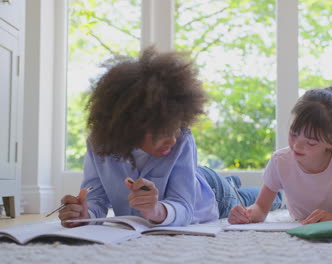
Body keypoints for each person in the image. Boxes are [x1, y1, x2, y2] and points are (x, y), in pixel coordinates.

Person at [58, 46, 282, 228]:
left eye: (175, 128)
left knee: (245, 199)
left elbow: (184, 205)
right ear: (130, 125)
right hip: (192, 175)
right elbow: (95, 198)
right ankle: (231, 180)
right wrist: (84, 213)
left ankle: (271, 191)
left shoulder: (182, 138)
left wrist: (156, 210)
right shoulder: (100, 145)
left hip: (212, 194)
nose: (172, 141)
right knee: (217, 181)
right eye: (161, 132)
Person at [228, 86, 332, 225]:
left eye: (310, 143)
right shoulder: (280, 161)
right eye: (293, 134)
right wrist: (246, 215)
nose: (297, 146)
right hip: (310, 215)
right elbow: (260, 208)